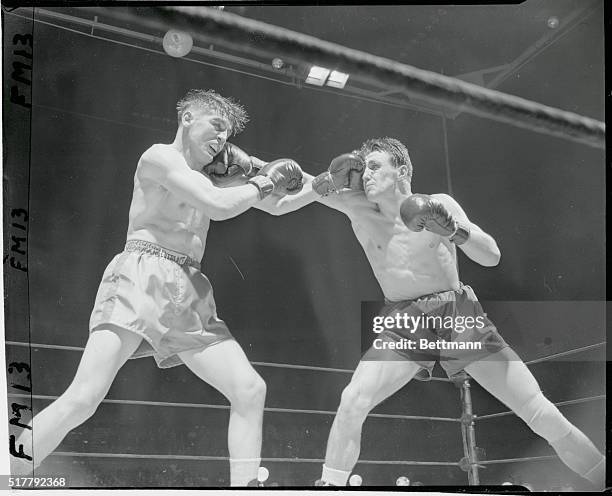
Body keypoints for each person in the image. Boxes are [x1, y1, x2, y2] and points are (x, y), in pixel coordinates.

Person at [246, 137, 605, 489]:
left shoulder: (438, 203)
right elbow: (295, 181)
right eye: (363, 167)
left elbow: (492, 255)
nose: (365, 174)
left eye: (374, 166)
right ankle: (330, 485)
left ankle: (603, 476)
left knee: (537, 410)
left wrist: (455, 229)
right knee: (353, 400)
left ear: (400, 170)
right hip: (403, 320)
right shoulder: (354, 205)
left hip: (455, 311)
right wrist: (246, 163)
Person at [11, 89, 304, 487]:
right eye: (215, 125)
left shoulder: (212, 179)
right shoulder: (159, 158)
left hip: (191, 287)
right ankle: (10, 473)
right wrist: (264, 178)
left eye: (227, 133)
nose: (222, 138)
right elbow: (221, 206)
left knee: (250, 389)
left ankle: (246, 488)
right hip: (142, 273)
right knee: (84, 397)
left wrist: (323, 184)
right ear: (187, 118)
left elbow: (277, 204)